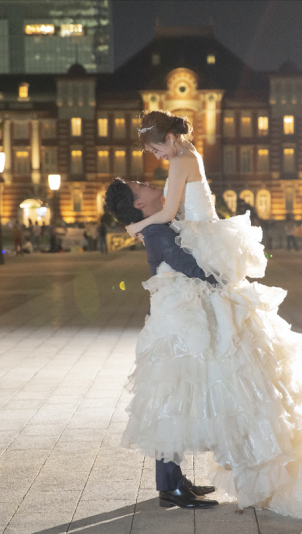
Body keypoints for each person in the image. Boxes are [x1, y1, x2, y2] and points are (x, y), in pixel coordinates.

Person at [120, 110, 302, 518]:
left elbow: (167, 214)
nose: (156, 158)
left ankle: (179, 478)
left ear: (169, 138)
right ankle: (178, 478)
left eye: (155, 148)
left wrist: (138, 227)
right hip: (201, 238)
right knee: (216, 348)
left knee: (208, 350)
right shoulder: (187, 157)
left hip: (201, 239)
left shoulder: (183, 160)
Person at [105, 177, 219, 509]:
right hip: (175, 328)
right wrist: (228, 274)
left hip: (177, 321)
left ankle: (172, 481)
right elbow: (193, 269)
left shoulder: (156, 225)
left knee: (175, 398)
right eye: (138, 185)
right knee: (171, 399)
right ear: (139, 204)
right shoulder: (156, 233)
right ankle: (170, 487)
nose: (145, 181)